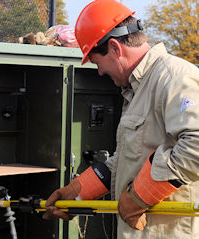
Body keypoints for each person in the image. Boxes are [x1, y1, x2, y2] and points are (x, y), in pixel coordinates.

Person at [43, 0, 199, 238]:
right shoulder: (138, 89)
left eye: (97, 62)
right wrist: (76, 193)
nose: (100, 72)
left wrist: (139, 197)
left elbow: (195, 146)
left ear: (115, 48)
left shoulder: (173, 77)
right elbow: (127, 160)